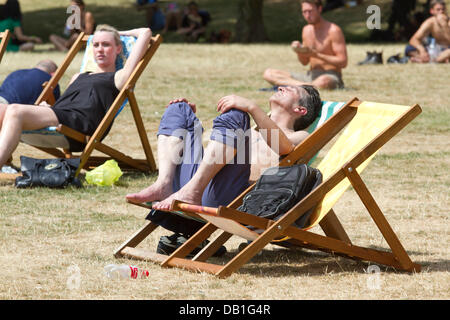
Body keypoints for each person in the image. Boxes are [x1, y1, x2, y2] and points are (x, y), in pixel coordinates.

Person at [125, 85, 322, 254]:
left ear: (301, 110)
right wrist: (189, 125)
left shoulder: (299, 137)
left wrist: (252, 107)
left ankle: (192, 190)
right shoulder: (248, 131)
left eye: (291, 90)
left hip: (229, 199)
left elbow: (285, 148)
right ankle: (164, 184)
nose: (281, 87)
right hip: (196, 186)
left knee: (237, 114)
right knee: (179, 109)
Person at [0, 25, 152, 167]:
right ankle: (5, 163)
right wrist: (48, 107)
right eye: (96, 44)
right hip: (64, 117)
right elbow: (65, 106)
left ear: (118, 48)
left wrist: (120, 34)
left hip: (81, 125)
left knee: (15, 110)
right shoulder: (78, 76)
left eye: (106, 44)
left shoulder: (119, 78)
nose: (100, 49)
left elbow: (145, 33)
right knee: (2, 109)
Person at [263, 0, 347, 90]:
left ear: (319, 9)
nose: (307, 15)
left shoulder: (334, 30)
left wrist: (317, 55)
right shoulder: (306, 30)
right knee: (268, 73)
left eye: (310, 11)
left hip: (330, 75)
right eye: (304, 12)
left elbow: (343, 62)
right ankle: (306, 86)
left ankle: (295, 86)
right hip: (310, 76)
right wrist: (299, 51)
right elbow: (304, 62)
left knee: (324, 81)